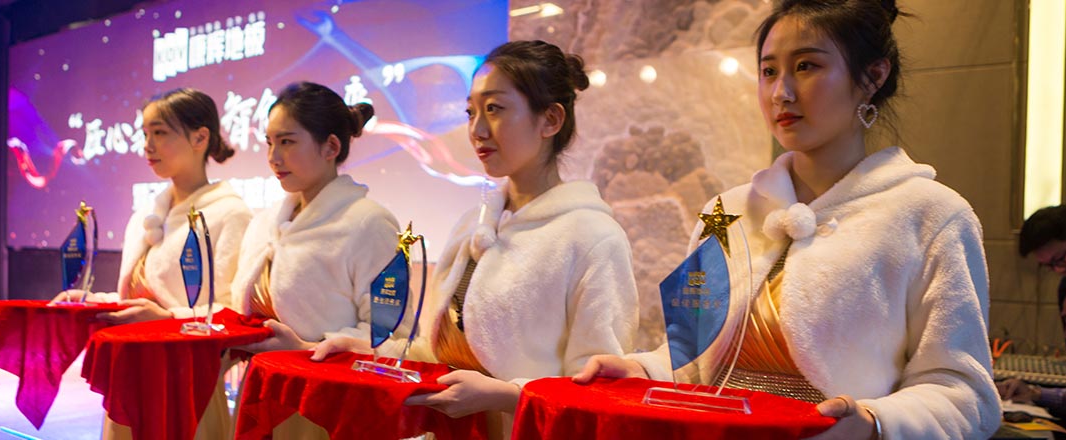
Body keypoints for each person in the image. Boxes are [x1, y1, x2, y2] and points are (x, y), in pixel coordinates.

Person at [574, 1, 1000, 438]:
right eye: (768, 71)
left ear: (873, 76)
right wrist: (642, 370)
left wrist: (874, 422)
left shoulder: (931, 216)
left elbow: (964, 393)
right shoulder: (725, 213)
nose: (781, 92)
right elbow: (689, 355)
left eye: (806, 66)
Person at [314, 40, 639, 438]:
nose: (477, 130)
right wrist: (371, 352)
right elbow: (440, 352)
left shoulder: (593, 237)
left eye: (495, 109)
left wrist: (506, 397)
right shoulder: (474, 225)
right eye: (471, 112)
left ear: (551, 120)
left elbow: (600, 391)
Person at [51, 87, 252, 439]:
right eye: (145, 134)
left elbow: (231, 314)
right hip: (130, 379)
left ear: (200, 138)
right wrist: (93, 302)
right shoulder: (146, 215)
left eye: (160, 133)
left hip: (188, 389)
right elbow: (137, 300)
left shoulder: (230, 214)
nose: (148, 146)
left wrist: (166, 320)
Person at [227, 82, 400, 438]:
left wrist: (304, 351)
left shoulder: (368, 223)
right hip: (262, 397)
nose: (273, 157)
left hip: (330, 410)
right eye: (269, 142)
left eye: (287, 141)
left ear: (331, 147)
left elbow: (392, 337)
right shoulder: (265, 223)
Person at [997, 205, 1066, 419]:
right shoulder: (1065, 287)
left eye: (1060, 260)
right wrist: (1035, 393)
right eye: (1049, 266)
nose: (1059, 271)